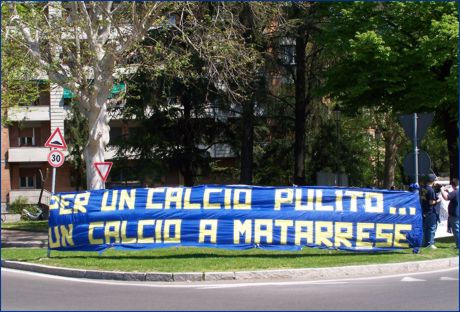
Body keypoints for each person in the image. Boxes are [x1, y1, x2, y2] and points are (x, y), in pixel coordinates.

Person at [420, 174, 441, 249]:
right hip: (430, 211)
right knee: (432, 227)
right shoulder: (431, 190)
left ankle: (424, 243)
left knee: (425, 228)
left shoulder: (424, 188)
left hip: (424, 210)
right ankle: (430, 244)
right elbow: (431, 202)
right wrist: (438, 200)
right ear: (433, 181)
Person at [440, 178, 459, 248]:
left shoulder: (455, 192)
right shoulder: (455, 192)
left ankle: (458, 245)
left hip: (455, 214)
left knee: (457, 231)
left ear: (453, 185)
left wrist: (442, 190)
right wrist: (448, 191)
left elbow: (446, 197)